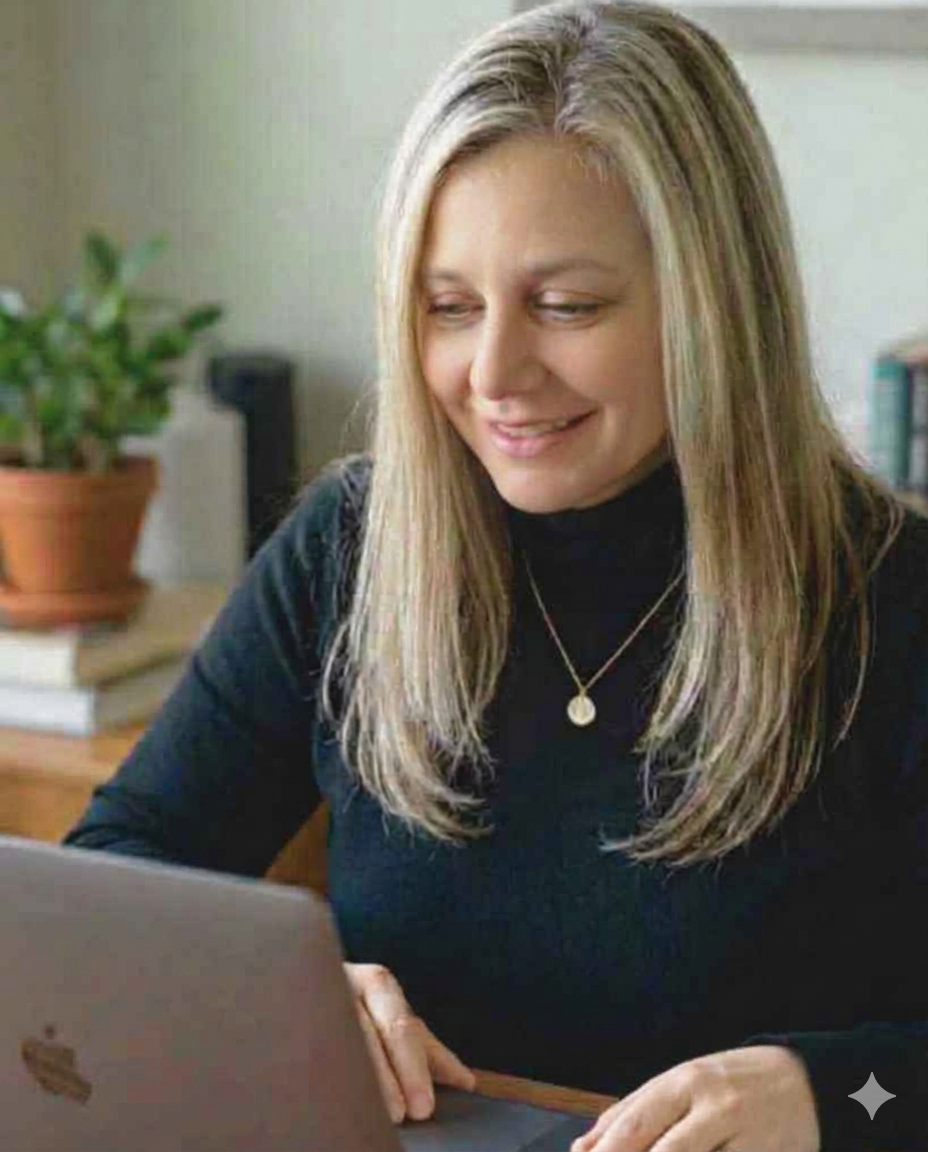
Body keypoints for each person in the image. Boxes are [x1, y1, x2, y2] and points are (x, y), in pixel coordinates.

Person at [65, 2, 928, 1150]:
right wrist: (291, 1001)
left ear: (712, 305)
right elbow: (106, 887)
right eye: (448, 308)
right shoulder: (350, 549)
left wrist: (835, 1098)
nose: (495, 372)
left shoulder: (892, 599)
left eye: (567, 306)